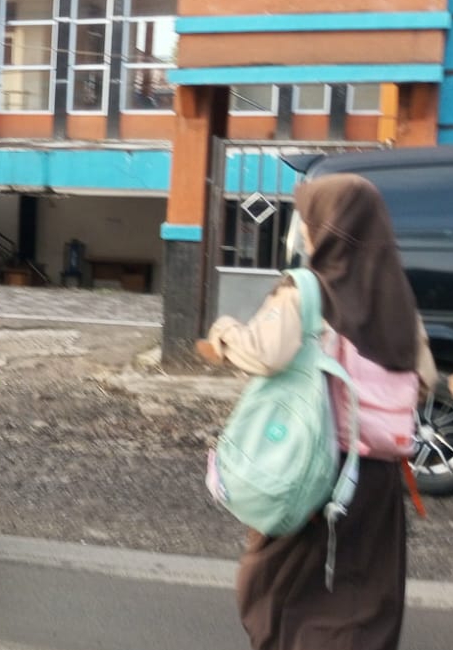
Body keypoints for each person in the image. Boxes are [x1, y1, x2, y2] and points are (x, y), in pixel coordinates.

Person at [198, 174, 436, 650]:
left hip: (315, 469)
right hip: (378, 479)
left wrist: (223, 333)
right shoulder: (399, 299)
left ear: (328, 227)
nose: (303, 231)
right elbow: (424, 377)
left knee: (281, 585)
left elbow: (265, 353)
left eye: (308, 220)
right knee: (363, 591)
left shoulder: (307, 289)